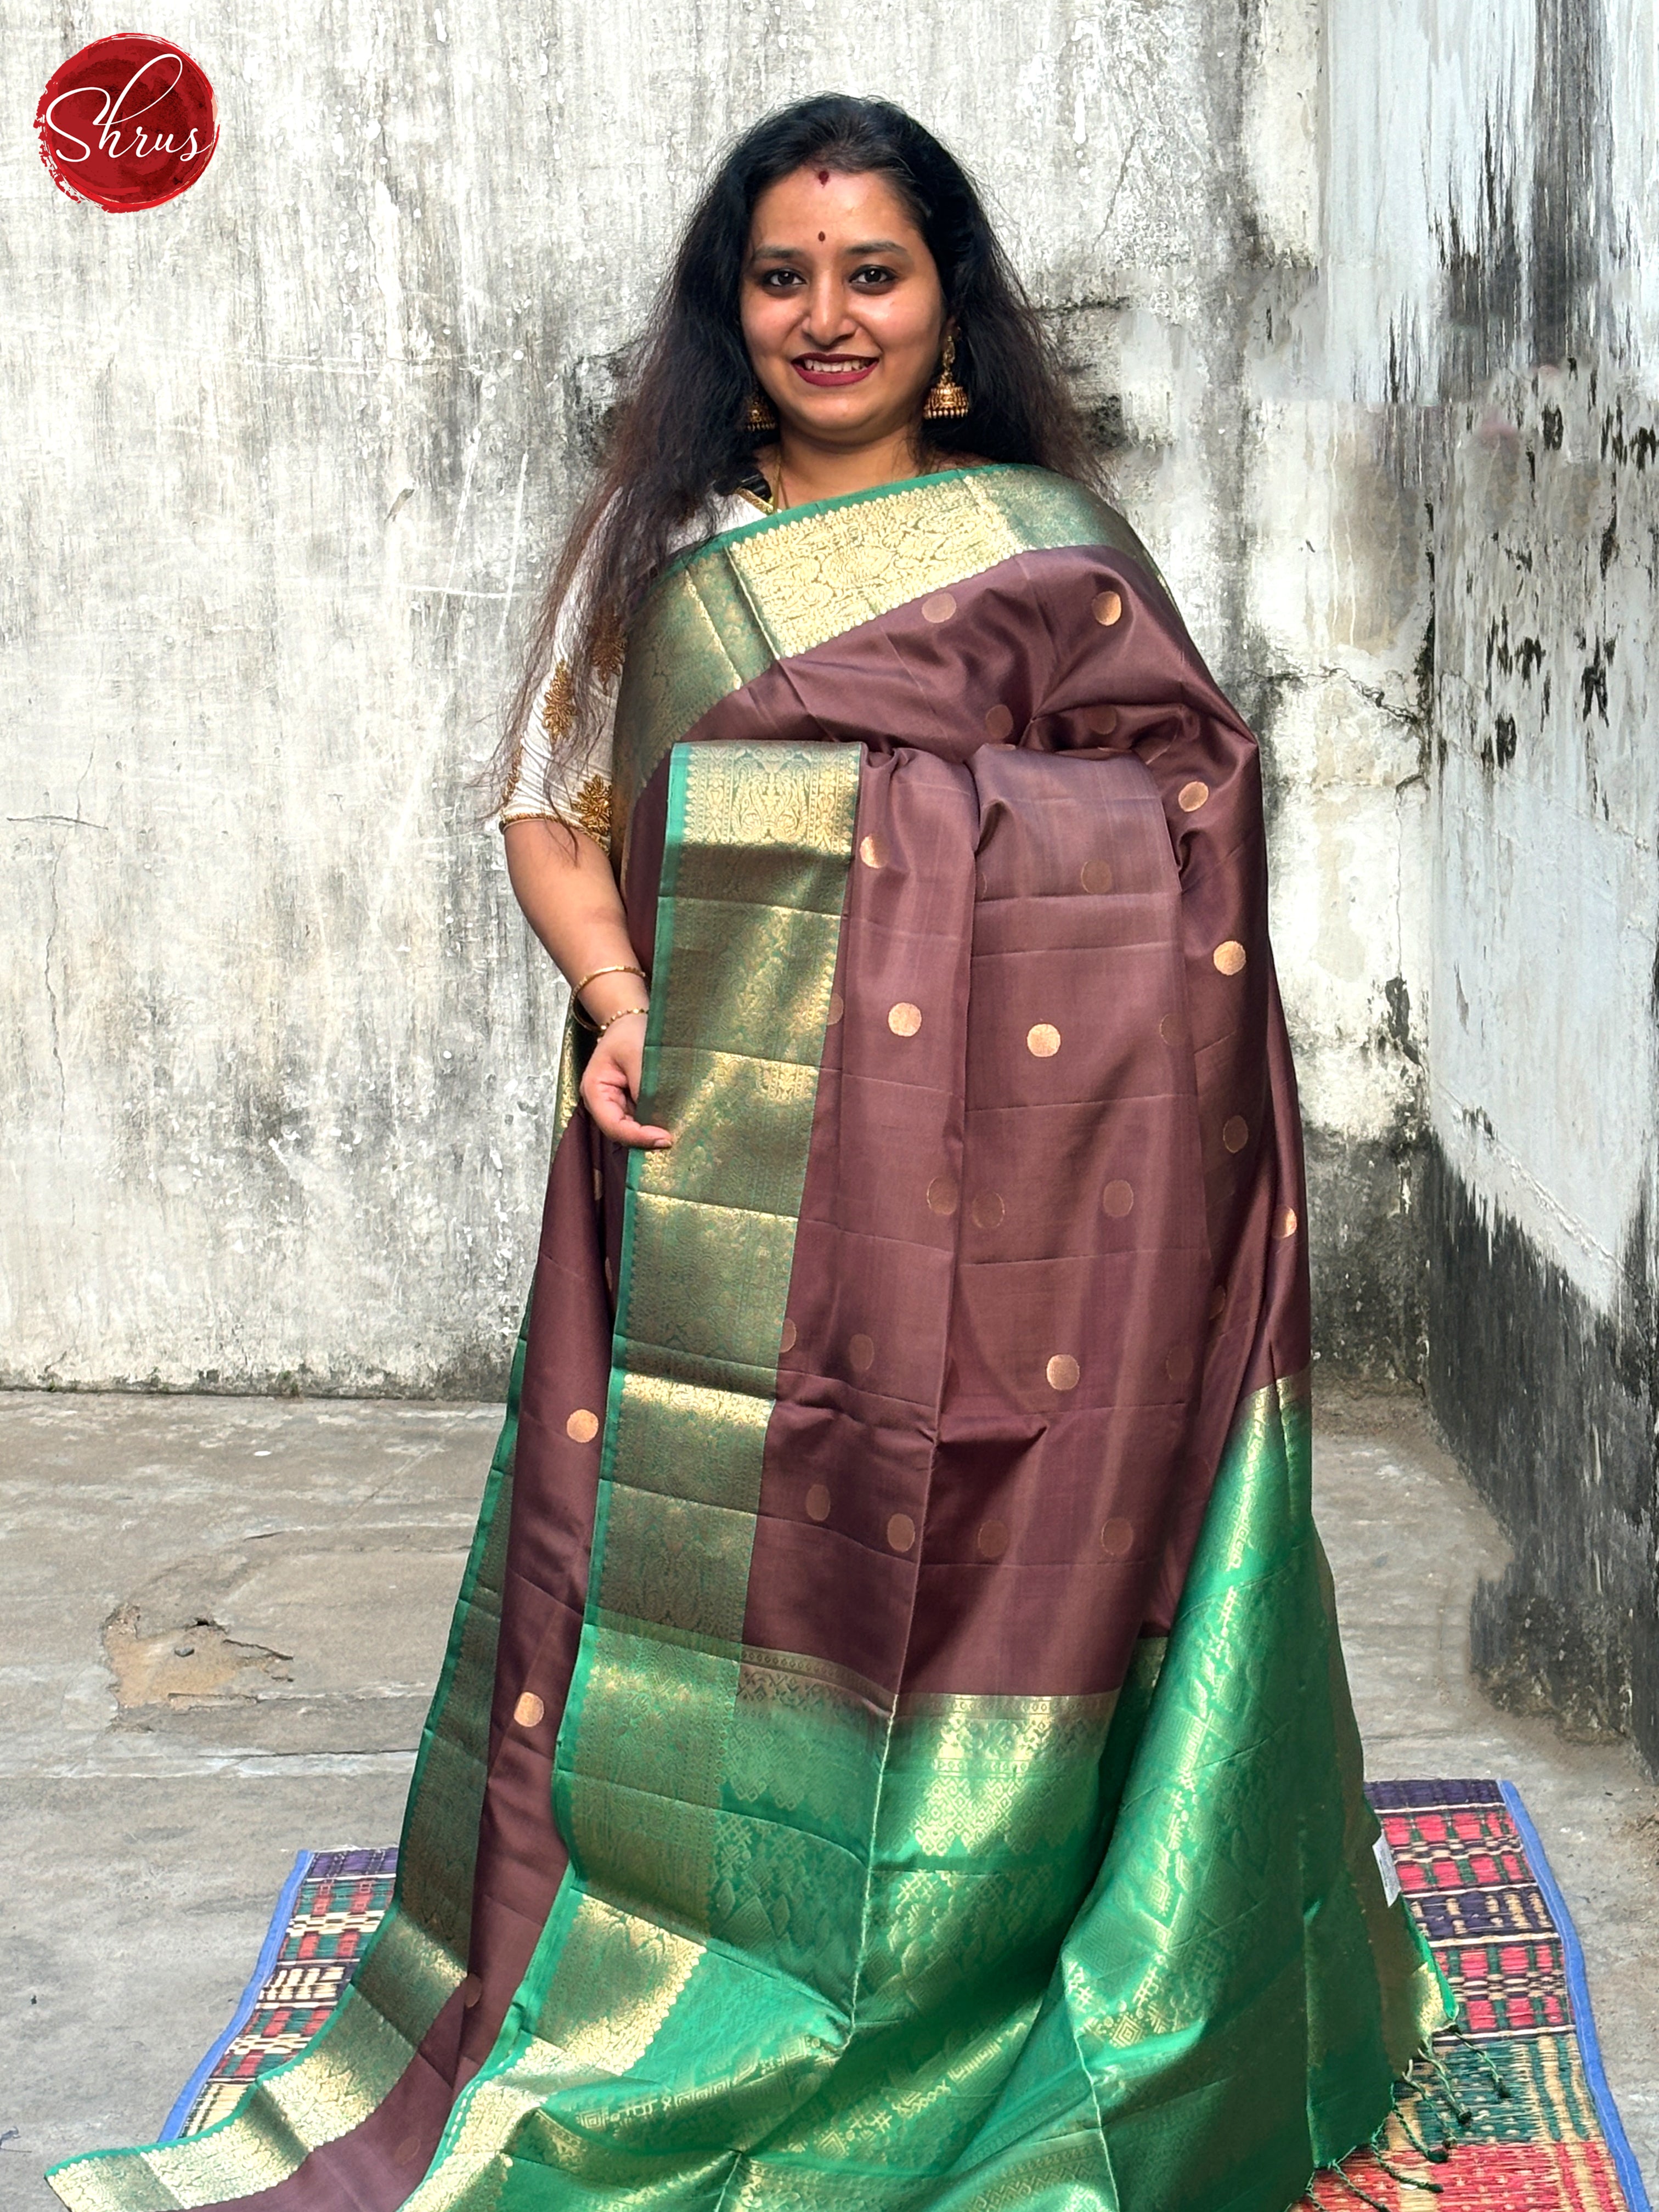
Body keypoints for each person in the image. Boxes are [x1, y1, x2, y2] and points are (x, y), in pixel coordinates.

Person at [51, 94, 1447, 2212]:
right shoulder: (673, 559)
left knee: (999, 1544)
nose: (828, 316)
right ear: (734, 311)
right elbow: (547, 812)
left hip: (1038, 1210)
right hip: (724, 1158)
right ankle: (703, 1944)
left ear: (948, 309)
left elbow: (1184, 832)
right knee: (744, 1550)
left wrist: (912, 855)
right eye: (782, 278)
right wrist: (624, 996)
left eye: (873, 273)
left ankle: (986, 1945)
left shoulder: (1045, 544)